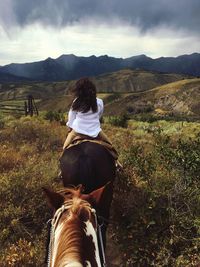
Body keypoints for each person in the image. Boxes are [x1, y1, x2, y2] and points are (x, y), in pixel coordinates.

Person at [63, 77, 117, 158]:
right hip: (95, 132)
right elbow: (99, 115)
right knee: (110, 146)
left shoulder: (76, 101)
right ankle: (117, 163)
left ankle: (61, 168)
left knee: (65, 149)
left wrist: (70, 128)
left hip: (77, 131)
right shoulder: (99, 102)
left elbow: (71, 118)